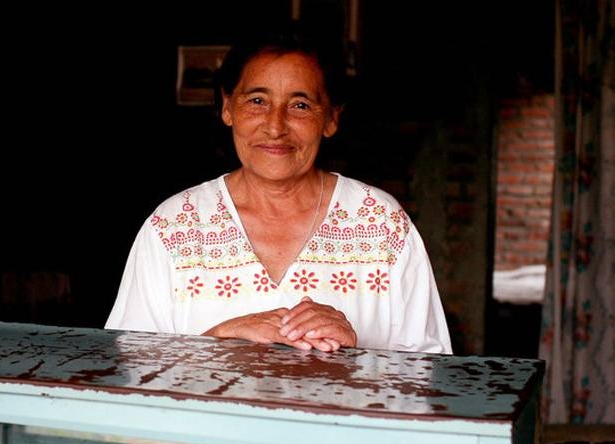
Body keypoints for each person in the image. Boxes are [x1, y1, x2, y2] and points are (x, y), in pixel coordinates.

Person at [105, 28, 452, 354]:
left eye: (300, 105)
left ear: (331, 118)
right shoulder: (175, 227)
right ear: (227, 107)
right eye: (257, 100)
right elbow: (132, 371)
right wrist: (219, 338)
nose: (275, 126)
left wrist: (355, 355)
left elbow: (429, 377)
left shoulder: (381, 223)